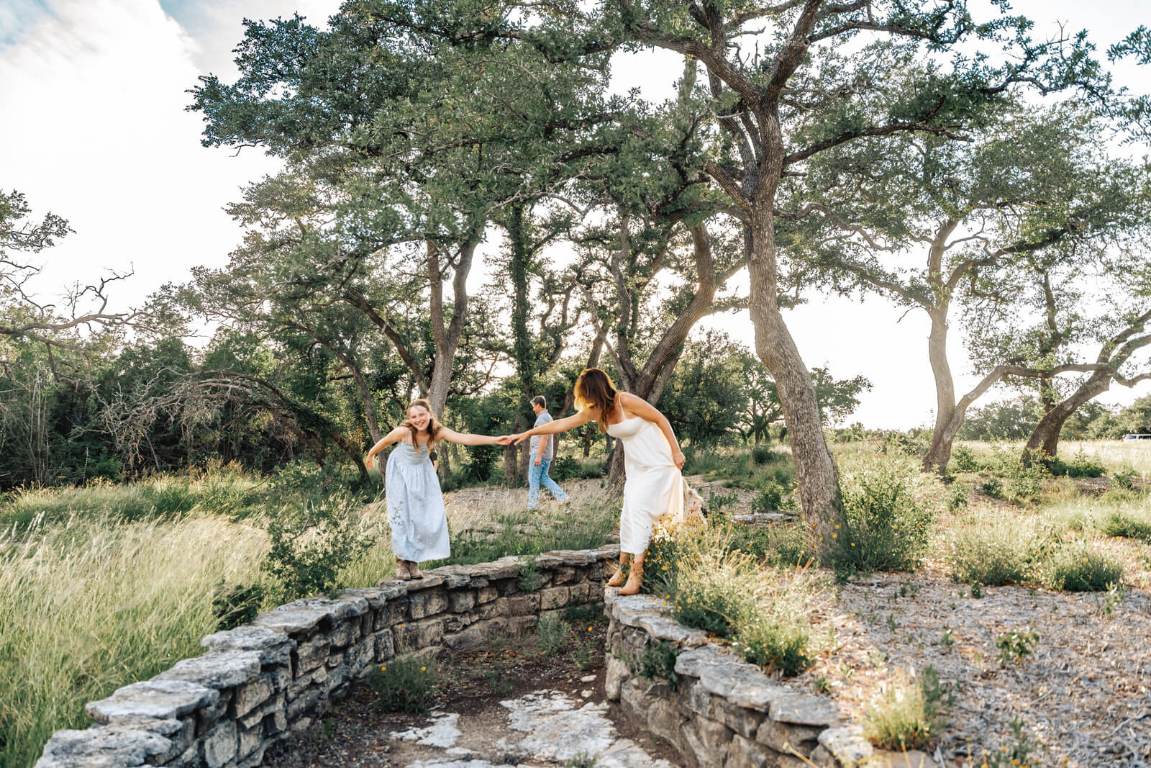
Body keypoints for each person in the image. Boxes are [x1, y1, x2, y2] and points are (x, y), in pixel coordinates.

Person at [505, 368, 685, 596]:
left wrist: (676, 451)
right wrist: (530, 434)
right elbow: (563, 424)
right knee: (628, 513)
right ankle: (623, 567)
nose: (584, 400)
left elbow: (660, 418)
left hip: (658, 460)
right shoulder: (596, 411)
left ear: (595, 391)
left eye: (586, 394)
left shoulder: (625, 400)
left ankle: (636, 574)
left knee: (639, 510)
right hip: (637, 466)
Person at [365, 398, 504, 580]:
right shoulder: (404, 431)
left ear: (429, 414)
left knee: (422, 516)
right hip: (399, 472)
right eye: (414, 416)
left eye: (422, 415)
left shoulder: (437, 432)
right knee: (402, 516)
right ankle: (401, 562)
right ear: (409, 419)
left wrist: (495, 440)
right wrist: (369, 456)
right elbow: (382, 443)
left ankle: (413, 561)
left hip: (422, 472)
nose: (418, 419)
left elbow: (465, 438)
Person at [527, 395, 569, 510]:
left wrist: (538, 455)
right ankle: (563, 498)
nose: (533, 409)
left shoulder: (543, 418)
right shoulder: (547, 417)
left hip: (540, 454)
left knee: (533, 478)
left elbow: (544, 437)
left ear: (538, 405)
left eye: (533, 406)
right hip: (545, 454)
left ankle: (532, 506)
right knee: (543, 478)